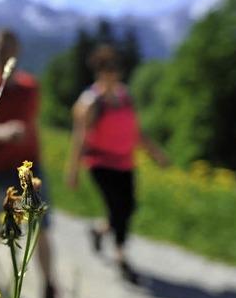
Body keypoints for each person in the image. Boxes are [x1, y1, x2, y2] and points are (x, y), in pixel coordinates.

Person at [0, 28, 70, 298]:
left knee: (41, 229)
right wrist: (2, 132)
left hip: (29, 170)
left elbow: (28, 122)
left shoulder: (30, 87)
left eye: (7, 47)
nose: (2, 52)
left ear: (18, 50)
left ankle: (50, 294)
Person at [65, 44, 169, 284]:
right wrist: (73, 170)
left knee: (129, 207)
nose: (113, 73)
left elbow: (136, 132)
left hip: (125, 162)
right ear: (99, 72)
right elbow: (79, 137)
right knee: (118, 209)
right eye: (107, 69)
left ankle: (99, 231)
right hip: (100, 163)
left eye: (116, 68)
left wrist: (156, 154)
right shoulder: (91, 101)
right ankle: (121, 258)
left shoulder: (126, 96)